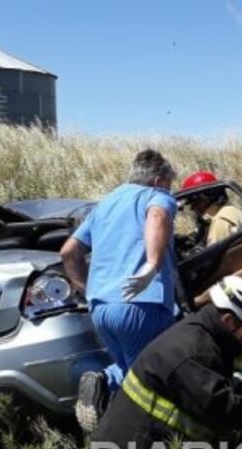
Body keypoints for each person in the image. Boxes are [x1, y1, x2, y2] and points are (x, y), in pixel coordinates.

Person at [90, 276, 242, 449]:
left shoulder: (200, 335)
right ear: (229, 321)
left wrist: (240, 388)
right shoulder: (195, 351)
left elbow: (208, 385)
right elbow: (225, 410)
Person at [62, 149, 180, 432]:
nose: (170, 191)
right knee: (154, 378)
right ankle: (148, 446)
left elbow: (68, 252)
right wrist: (152, 264)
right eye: (169, 185)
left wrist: (86, 288)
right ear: (157, 179)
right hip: (142, 303)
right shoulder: (155, 196)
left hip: (101, 308)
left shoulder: (104, 205)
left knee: (130, 369)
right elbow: (157, 216)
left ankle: (103, 382)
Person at [180, 170, 242, 246]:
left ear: (207, 198)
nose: (192, 208)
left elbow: (213, 256)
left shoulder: (220, 222)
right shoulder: (228, 210)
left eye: (195, 202)